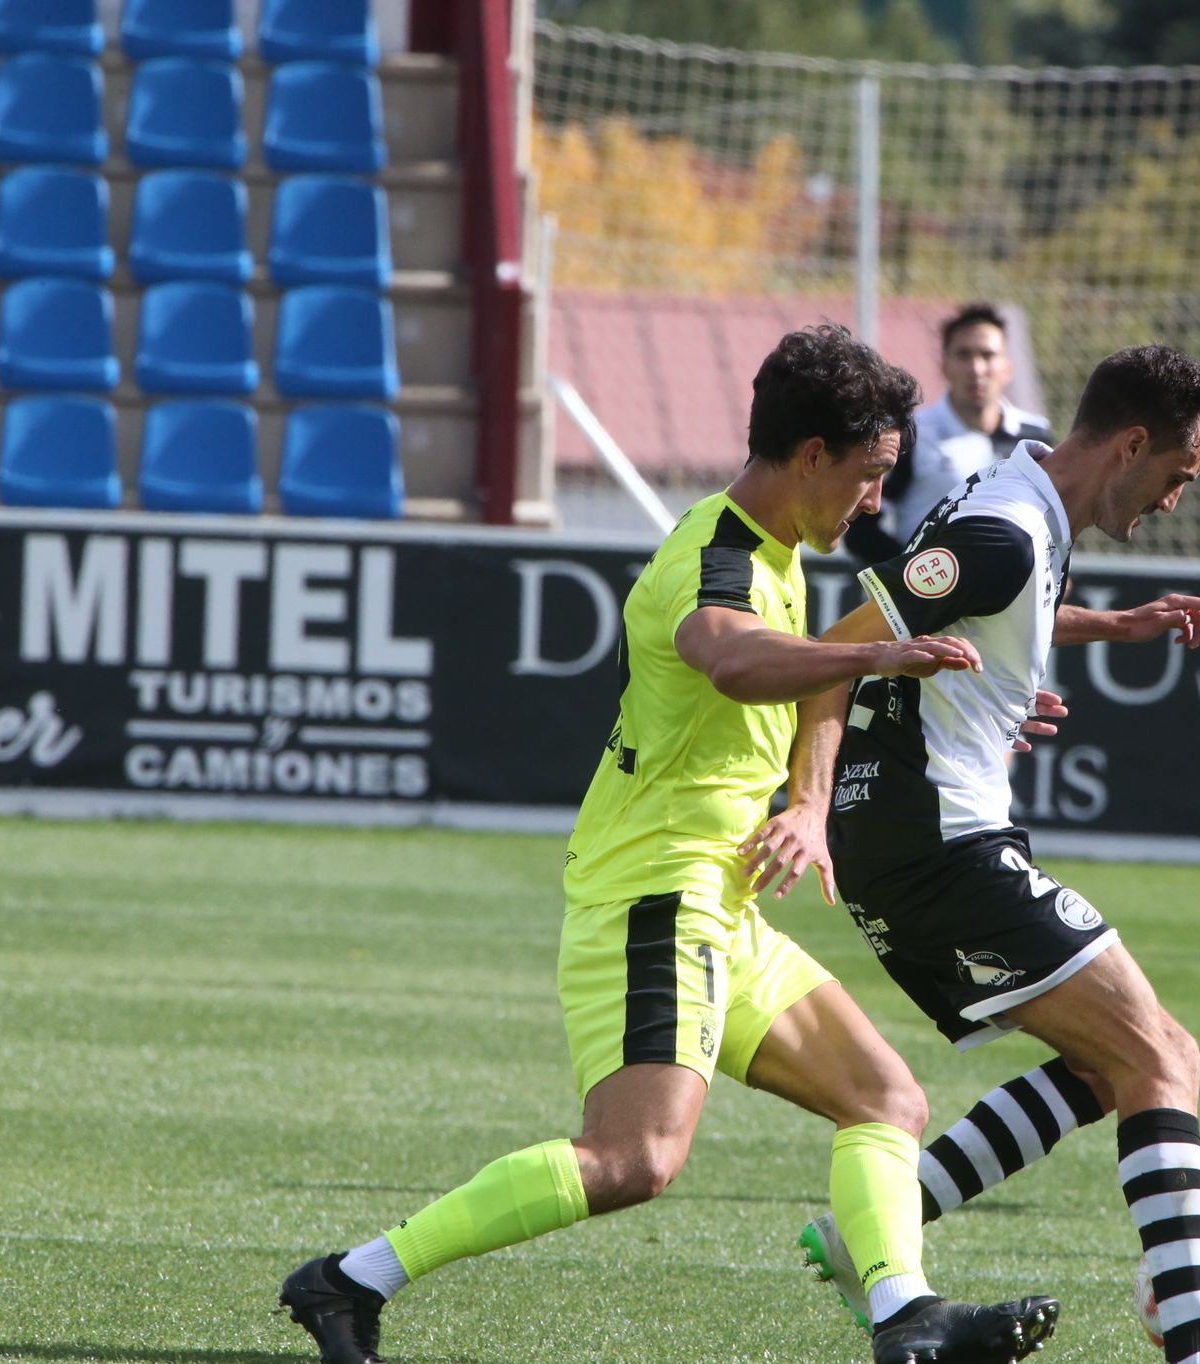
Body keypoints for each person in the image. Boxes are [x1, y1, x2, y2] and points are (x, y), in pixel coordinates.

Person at [276, 325, 1059, 1364]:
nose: (877, 500)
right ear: (812, 454)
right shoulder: (717, 551)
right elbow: (727, 657)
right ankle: (349, 1277)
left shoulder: (777, 553)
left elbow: (818, 674)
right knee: (634, 1156)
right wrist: (882, 652)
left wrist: (809, 804)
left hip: (717, 900)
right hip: (657, 894)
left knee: (884, 1097)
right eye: (869, 475)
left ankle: (904, 1316)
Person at [758, 346, 1200, 1364]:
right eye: (1175, 475)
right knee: (1159, 1057)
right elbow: (836, 655)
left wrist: (1109, 625)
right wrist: (806, 801)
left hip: (926, 833)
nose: (1170, 502)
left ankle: (873, 1236)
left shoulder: (1021, 494)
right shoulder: (1004, 527)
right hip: (932, 838)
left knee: (1113, 1056)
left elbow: (983, 611)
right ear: (1128, 444)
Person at [845, 302, 1053, 563]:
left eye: (987, 355)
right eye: (964, 355)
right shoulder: (912, 434)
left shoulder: (1035, 437)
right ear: (944, 365)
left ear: (1006, 367)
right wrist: (915, 580)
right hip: (928, 599)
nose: (976, 369)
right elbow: (861, 529)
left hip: (1008, 601)